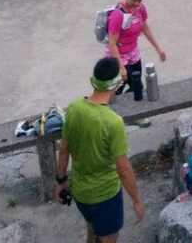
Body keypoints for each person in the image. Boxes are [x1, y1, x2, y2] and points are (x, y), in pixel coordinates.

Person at [56, 58, 146, 243]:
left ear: (94, 81)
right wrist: (137, 200)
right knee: (109, 237)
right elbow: (123, 169)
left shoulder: (74, 108)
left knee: (92, 226)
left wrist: (61, 182)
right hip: (105, 196)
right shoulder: (113, 122)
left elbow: (64, 150)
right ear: (116, 84)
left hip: (81, 194)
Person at [105, 0, 167, 102]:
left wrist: (159, 49)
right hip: (119, 56)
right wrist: (121, 67)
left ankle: (131, 108)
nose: (136, 3)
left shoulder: (140, 8)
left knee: (136, 86)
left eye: (139, 0)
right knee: (117, 89)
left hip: (133, 54)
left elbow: (145, 28)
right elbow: (112, 44)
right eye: (134, 0)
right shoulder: (117, 15)